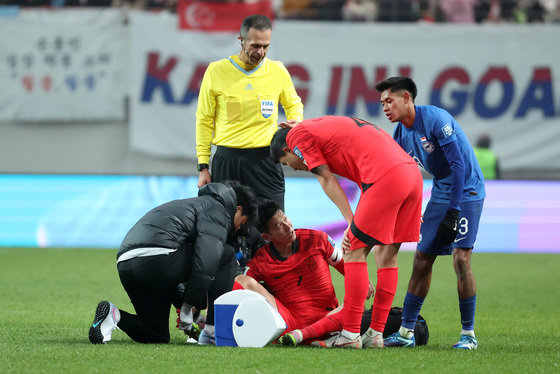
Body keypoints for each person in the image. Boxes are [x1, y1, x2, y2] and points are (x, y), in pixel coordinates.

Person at [270, 116, 423, 348]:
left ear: (287, 149)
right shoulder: (311, 129)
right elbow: (330, 132)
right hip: (411, 175)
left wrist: (352, 223)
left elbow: (327, 180)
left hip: (384, 177)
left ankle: (350, 335)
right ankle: (375, 335)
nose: (292, 166)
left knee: (353, 251)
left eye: (285, 161)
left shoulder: (295, 137)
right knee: (386, 255)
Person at [374, 76, 485, 350]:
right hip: (441, 192)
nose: (385, 108)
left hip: (467, 191)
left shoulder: (436, 119)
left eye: (389, 101)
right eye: (382, 103)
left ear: (407, 98)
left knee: (460, 259)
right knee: (422, 259)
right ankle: (406, 332)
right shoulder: (401, 133)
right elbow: (400, 177)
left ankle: (468, 335)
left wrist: (453, 211)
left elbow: (459, 167)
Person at [88, 181, 257, 344]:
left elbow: (185, 263)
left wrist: (190, 309)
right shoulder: (217, 210)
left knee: (155, 333)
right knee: (226, 254)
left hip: (127, 262)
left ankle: (112, 314)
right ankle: (213, 332)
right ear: (238, 209)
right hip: (159, 259)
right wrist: (189, 306)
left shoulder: (193, 204)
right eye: (241, 223)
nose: (236, 230)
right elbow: (207, 260)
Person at [195, 14, 303, 211]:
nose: (260, 52)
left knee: (274, 227)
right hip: (227, 161)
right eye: (255, 46)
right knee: (227, 228)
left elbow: (294, 104)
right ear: (241, 40)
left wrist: (295, 123)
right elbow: (204, 120)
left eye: (266, 46)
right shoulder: (216, 71)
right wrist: (203, 166)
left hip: (265, 161)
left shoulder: (277, 71)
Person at [234, 199, 355, 345]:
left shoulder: (316, 239)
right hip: (289, 322)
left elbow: (348, 269)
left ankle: (305, 335)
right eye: (279, 225)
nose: (288, 226)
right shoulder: (261, 260)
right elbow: (240, 290)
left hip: (328, 318)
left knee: (356, 303)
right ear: (266, 237)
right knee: (242, 280)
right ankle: (218, 329)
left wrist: (364, 284)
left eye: (285, 218)